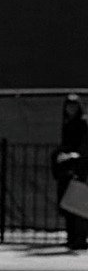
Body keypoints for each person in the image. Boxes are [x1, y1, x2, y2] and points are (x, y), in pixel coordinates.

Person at [55, 93, 88, 251]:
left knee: (78, 204)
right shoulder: (67, 123)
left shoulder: (82, 123)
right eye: (69, 105)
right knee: (68, 204)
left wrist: (74, 156)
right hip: (67, 166)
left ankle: (79, 238)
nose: (71, 108)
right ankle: (72, 237)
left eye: (74, 105)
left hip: (78, 167)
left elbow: (83, 147)